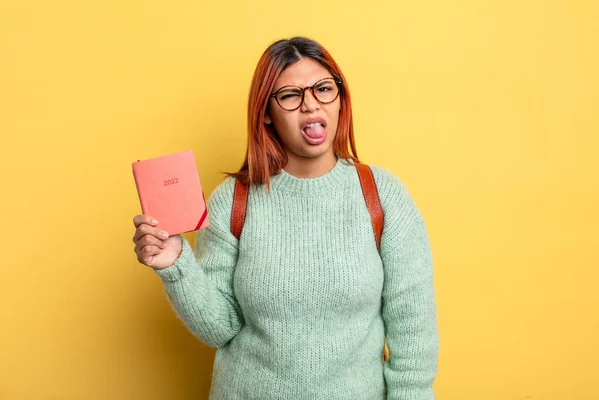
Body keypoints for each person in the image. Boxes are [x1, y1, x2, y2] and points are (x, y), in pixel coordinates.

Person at [132, 36, 439, 399]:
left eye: (324, 89)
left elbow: (413, 332)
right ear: (266, 112)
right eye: (291, 95)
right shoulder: (233, 200)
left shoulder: (383, 196)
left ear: (340, 99)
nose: (311, 105)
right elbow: (219, 329)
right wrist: (176, 265)